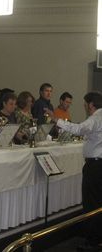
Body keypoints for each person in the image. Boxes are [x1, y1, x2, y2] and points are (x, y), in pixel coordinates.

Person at [49, 92, 102, 251]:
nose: (85, 106)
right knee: (99, 202)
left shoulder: (95, 118)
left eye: (85, 104)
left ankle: (92, 241)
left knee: (92, 203)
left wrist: (56, 120)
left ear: (91, 104)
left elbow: (79, 129)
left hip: (95, 166)